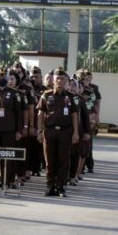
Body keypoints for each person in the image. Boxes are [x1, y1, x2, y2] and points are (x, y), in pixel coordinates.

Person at [37, 68, 79, 197]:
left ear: (66, 81)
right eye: (57, 79)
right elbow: (41, 114)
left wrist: (76, 133)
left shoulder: (71, 97)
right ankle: (50, 186)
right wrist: (40, 131)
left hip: (65, 132)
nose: (60, 81)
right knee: (50, 161)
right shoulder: (46, 95)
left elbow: (74, 116)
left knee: (63, 160)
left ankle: (61, 187)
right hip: (49, 131)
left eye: (63, 79)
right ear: (53, 81)